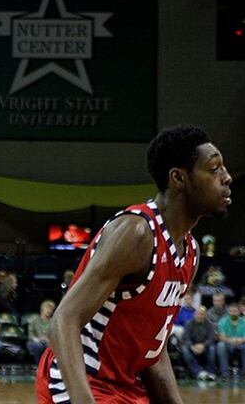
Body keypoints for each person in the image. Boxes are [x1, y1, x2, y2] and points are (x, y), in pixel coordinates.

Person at [37, 126, 232, 403]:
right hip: (80, 381)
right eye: (214, 169)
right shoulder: (137, 232)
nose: (227, 178)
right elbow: (63, 320)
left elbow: (155, 352)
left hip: (125, 388)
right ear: (179, 178)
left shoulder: (190, 252)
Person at [216, 302, 245, 380]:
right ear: (228, 312)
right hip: (228, 344)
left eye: (235, 311)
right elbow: (221, 337)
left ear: (239, 312)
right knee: (220, 345)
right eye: (231, 311)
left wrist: (240, 340)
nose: (233, 313)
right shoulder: (223, 321)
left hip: (241, 344)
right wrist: (230, 340)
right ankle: (224, 374)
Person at [179, 306, 217, 381]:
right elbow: (186, 338)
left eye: (202, 314)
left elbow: (211, 339)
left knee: (212, 348)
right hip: (192, 347)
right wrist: (192, 347)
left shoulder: (210, 325)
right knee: (184, 349)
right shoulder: (188, 324)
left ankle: (210, 372)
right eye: (198, 314)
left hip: (205, 347)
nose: (200, 316)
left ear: (205, 315)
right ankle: (198, 372)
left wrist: (203, 345)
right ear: (194, 314)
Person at [26, 300, 55, 366]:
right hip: (34, 341)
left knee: (51, 346)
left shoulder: (52, 321)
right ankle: (38, 366)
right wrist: (38, 339)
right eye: (47, 308)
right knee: (39, 346)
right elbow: (30, 335)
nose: (49, 311)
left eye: (51, 309)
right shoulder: (34, 320)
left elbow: (54, 335)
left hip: (48, 342)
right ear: (42, 309)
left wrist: (49, 339)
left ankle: (49, 367)